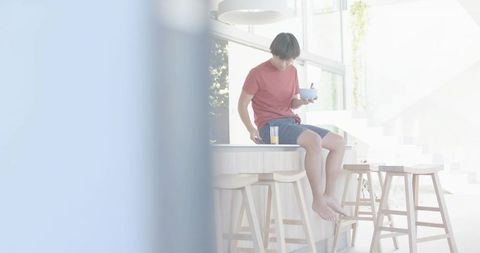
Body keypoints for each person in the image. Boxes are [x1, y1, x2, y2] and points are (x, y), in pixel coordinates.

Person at [237, 32, 347, 221]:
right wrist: (251, 129)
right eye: (283, 60)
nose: (286, 64)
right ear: (274, 52)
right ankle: (317, 199)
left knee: (339, 142)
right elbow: (241, 105)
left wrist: (303, 102)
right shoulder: (256, 74)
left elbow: (291, 103)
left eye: (290, 60)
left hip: (290, 121)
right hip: (270, 126)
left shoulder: (292, 71)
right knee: (313, 140)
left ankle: (330, 195)